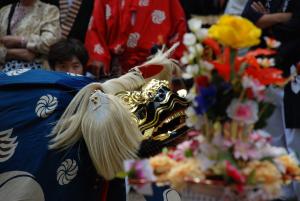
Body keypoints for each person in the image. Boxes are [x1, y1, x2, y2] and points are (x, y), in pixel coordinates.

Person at [85, 0, 187, 79]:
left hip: (155, 66)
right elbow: (96, 29)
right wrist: (99, 58)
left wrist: (172, 60)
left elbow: (179, 30)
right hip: (117, 70)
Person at [0, 0, 61, 72]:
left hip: (37, 70)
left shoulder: (49, 10)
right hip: (4, 71)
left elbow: (51, 43)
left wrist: (20, 41)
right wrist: (11, 53)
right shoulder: (4, 11)